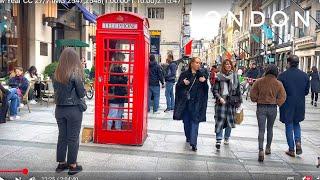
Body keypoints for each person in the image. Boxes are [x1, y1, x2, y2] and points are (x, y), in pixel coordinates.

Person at [53, 47, 86, 175]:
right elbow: (81, 92)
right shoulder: (75, 72)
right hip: (73, 110)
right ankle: (72, 165)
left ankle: (61, 164)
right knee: (72, 138)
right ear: (74, 59)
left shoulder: (56, 73)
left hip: (59, 109)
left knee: (62, 137)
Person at [250, 64, 287, 162]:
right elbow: (283, 97)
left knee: (261, 130)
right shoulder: (278, 83)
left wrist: (257, 99)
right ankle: (268, 148)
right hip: (272, 108)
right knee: (270, 128)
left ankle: (260, 150)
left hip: (261, 107)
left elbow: (252, 95)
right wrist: (277, 103)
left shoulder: (259, 81)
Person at [173, 57, 208, 151]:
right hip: (186, 103)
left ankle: (194, 143)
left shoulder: (202, 75)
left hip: (197, 103)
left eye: (199, 63)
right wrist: (183, 83)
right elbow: (178, 88)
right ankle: (188, 137)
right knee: (187, 122)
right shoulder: (184, 74)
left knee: (195, 122)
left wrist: (204, 82)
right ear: (191, 63)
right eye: (196, 62)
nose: (198, 64)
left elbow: (206, 90)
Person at [278, 55, 310, 157]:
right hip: (300, 104)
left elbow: (280, 92)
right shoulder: (305, 76)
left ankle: (291, 149)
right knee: (296, 123)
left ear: (288, 63)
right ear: (298, 64)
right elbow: (306, 91)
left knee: (288, 124)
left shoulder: (282, 76)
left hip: (287, 103)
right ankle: (298, 142)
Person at [213, 59, 242, 150]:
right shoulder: (219, 76)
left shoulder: (235, 76)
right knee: (219, 120)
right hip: (221, 102)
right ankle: (218, 139)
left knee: (229, 121)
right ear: (223, 66)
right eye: (226, 64)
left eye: (229, 64)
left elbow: (238, 91)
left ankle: (226, 137)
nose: (228, 65)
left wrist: (239, 102)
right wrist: (219, 98)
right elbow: (215, 90)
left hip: (231, 102)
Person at [106, 52, 128, 130]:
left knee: (119, 114)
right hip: (115, 94)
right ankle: (108, 129)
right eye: (123, 59)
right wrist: (124, 78)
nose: (124, 60)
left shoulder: (119, 68)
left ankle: (118, 129)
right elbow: (112, 80)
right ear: (119, 59)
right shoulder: (113, 68)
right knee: (113, 113)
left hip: (120, 94)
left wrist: (124, 78)